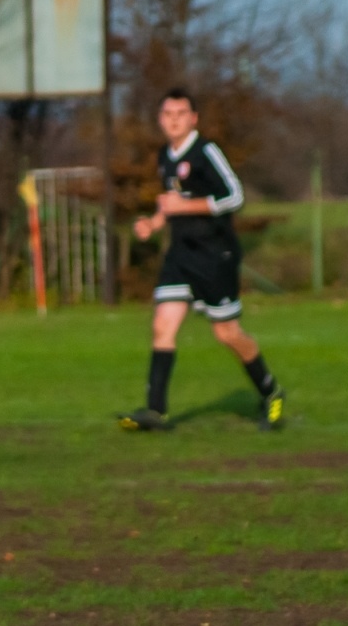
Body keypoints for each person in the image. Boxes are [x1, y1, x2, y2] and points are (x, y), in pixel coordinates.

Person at [119, 88, 285, 432]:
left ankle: (270, 391)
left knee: (227, 334)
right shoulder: (165, 156)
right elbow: (171, 202)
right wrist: (153, 222)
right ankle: (156, 411)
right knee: (162, 326)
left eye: (180, 113)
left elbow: (234, 196)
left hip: (215, 256)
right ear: (160, 119)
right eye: (167, 114)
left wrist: (187, 207)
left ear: (193, 118)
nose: (173, 119)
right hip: (181, 255)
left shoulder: (206, 151)